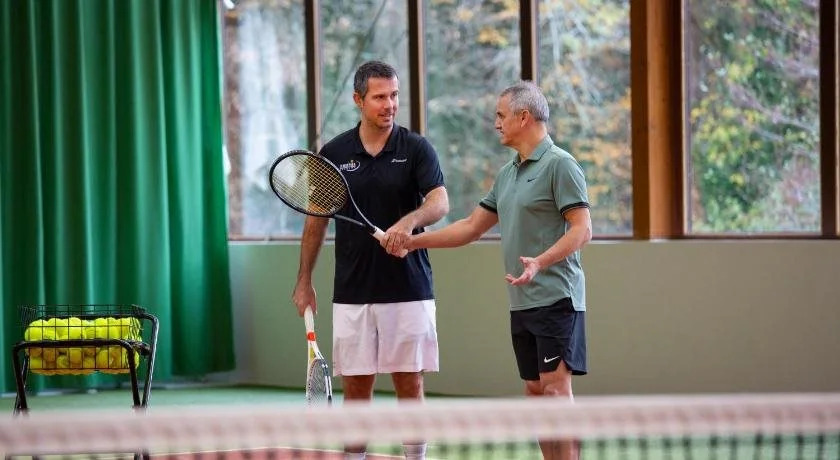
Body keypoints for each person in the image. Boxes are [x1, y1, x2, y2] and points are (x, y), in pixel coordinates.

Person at [383, 80, 591, 460]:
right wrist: (411, 241)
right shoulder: (508, 174)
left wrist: (540, 261)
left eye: (501, 115)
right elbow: (469, 227)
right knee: (535, 392)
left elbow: (582, 229)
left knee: (555, 392)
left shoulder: (561, 165)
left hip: (557, 298)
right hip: (521, 301)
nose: (495, 123)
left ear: (523, 117)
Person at [292, 60, 449, 460]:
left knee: (410, 385)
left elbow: (439, 201)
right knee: (357, 390)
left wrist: (409, 222)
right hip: (353, 292)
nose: (390, 105)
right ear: (358, 100)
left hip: (409, 289)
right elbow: (316, 221)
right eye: (380, 97)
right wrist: (304, 280)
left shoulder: (416, 148)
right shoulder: (334, 153)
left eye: (394, 95)